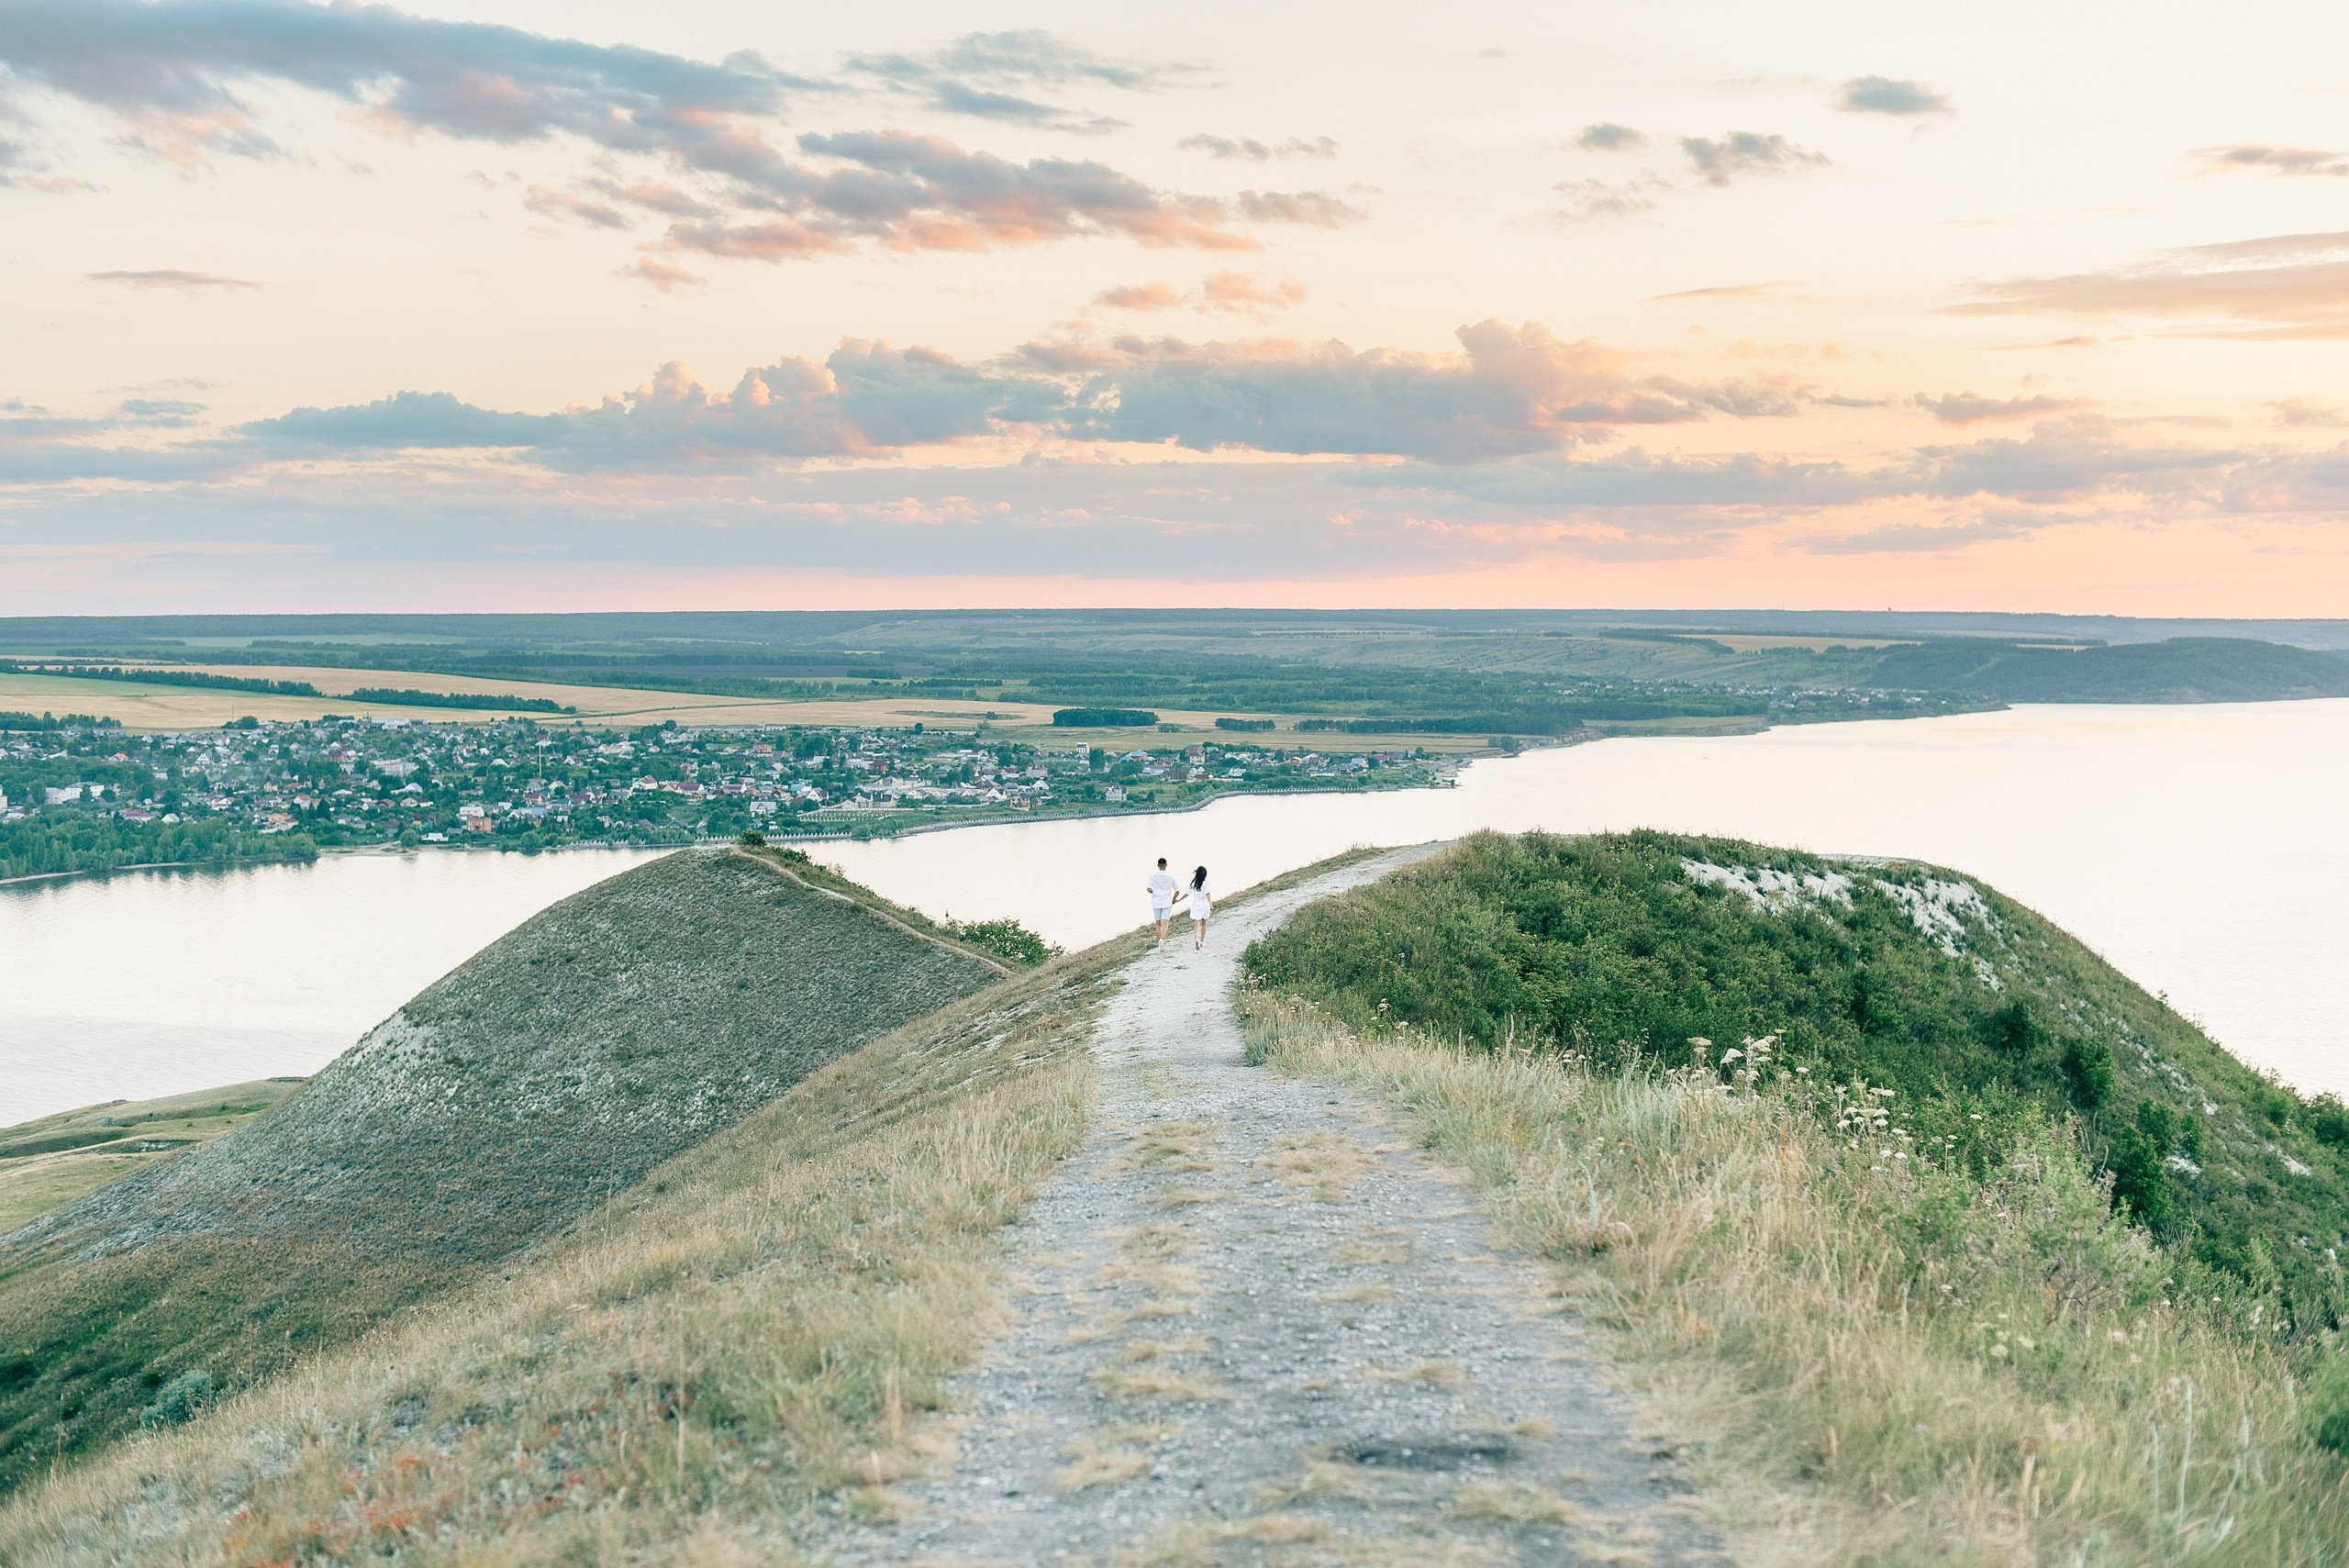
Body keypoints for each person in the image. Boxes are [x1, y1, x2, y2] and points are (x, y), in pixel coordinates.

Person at [1146, 857, 1182, 946]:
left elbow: (1149, 889)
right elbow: (1177, 890)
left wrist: (1154, 892)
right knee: (1165, 924)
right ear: (1166, 865)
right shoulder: (1170, 876)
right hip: (1166, 901)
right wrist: (1174, 899)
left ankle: (1159, 942)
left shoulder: (1153, 876)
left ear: (1158, 865)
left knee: (1158, 923)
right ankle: (1162, 939)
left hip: (1156, 901)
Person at [1186, 864, 1215, 949]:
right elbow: (1207, 893)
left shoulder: (1194, 883)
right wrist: (1210, 904)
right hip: (1204, 903)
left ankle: (1196, 939)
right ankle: (1202, 941)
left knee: (1196, 922)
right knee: (1204, 923)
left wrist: (1179, 900)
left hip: (1196, 903)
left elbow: (1187, 893)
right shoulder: (1206, 883)